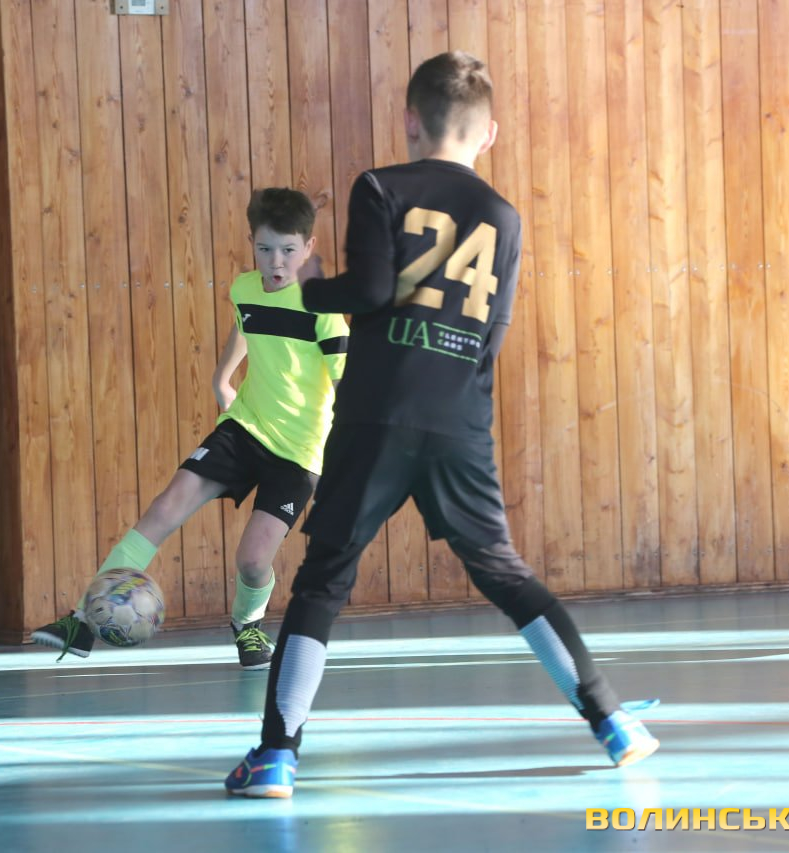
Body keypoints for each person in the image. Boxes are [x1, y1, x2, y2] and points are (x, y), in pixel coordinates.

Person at [224, 52, 658, 798]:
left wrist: (310, 284)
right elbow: (494, 334)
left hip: (377, 410)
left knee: (324, 579)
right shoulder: (506, 217)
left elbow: (368, 290)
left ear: (410, 121)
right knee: (504, 573)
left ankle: (275, 757)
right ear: (488, 134)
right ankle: (612, 720)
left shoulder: (380, 187)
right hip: (458, 417)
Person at [33, 188, 349, 670]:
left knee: (252, 561)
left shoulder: (323, 310)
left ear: (309, 247)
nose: (276, 261)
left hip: (299, 452)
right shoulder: (245, 288)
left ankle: (247, 626)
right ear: (251, 243)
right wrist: (223, 376)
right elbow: (247, 323)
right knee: (165, 507)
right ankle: (81, 622)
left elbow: (348, 384)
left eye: (288, 249)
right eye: (264, 248)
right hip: (245, 427)